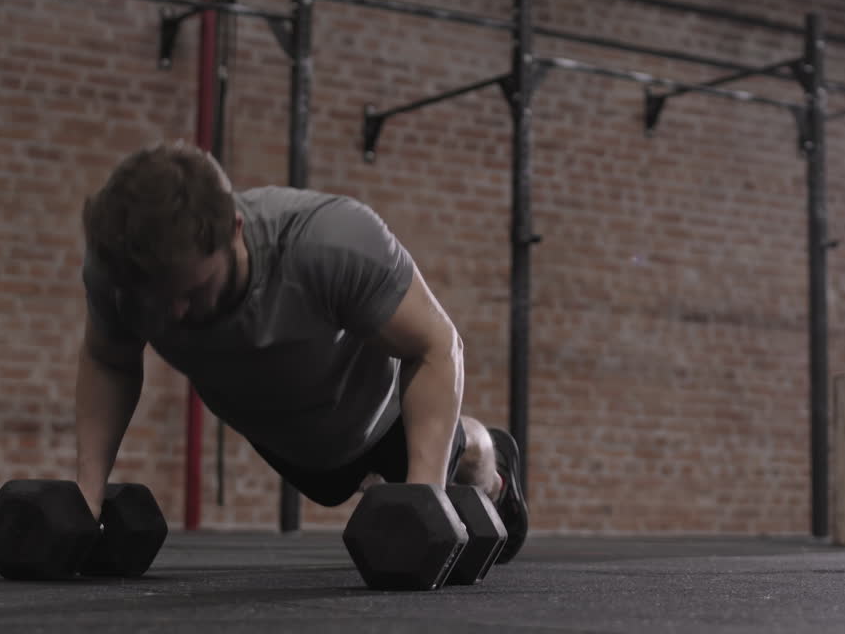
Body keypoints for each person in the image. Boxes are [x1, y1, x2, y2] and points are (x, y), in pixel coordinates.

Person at [73, 141, 528, 563]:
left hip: (385, 415)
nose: (173, 314)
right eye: (156, 298)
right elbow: (109, 361)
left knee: (462, 459)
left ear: (234, 229)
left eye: (191, 291)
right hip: (295, 444)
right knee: (350, 488)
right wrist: (86, 501)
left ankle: (494, 468)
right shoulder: (118, 276)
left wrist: (424, 497)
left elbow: (437, 344)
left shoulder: (330, 242)